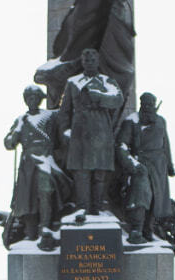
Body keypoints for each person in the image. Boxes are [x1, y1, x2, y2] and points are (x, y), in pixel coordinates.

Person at [58, 48, 124, 215]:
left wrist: (99, 96)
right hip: (79, 132)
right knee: (81, 172)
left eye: (93, 60)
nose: (89, 63)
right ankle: (82, 208)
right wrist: (65, 130)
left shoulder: (107, 81)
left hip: (101, 130)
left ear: (98, 62)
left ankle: (97, 207)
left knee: (99, 173)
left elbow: (118, 99)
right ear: (82, 62)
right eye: (86, 60)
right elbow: (65, 110)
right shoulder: (73, 82)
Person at [4, 85, 71, 248]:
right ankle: (31, 231)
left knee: (45, 192)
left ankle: (46, 227)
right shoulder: (21, 120)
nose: (31, 101)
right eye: (28, 98)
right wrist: (15, 134)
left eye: (34, 98)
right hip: (28, 164)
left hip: (45, 159)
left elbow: (65, 111)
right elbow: (8, 143)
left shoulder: (50, 116)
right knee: (27, 198)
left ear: (40, 99)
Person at [119, 92, 175, 244]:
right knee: (141, 195)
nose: (148, 108)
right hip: (140, 164)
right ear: (141, 105)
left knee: (156, 199)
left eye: (151, 105)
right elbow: (121, 146)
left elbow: (166, 145)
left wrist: (170, 165)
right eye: (145, 105)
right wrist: (132, 164)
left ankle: (148, 229)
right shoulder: (131, 122)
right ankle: (136, 229)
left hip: (158, 166)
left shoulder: (161, 121)